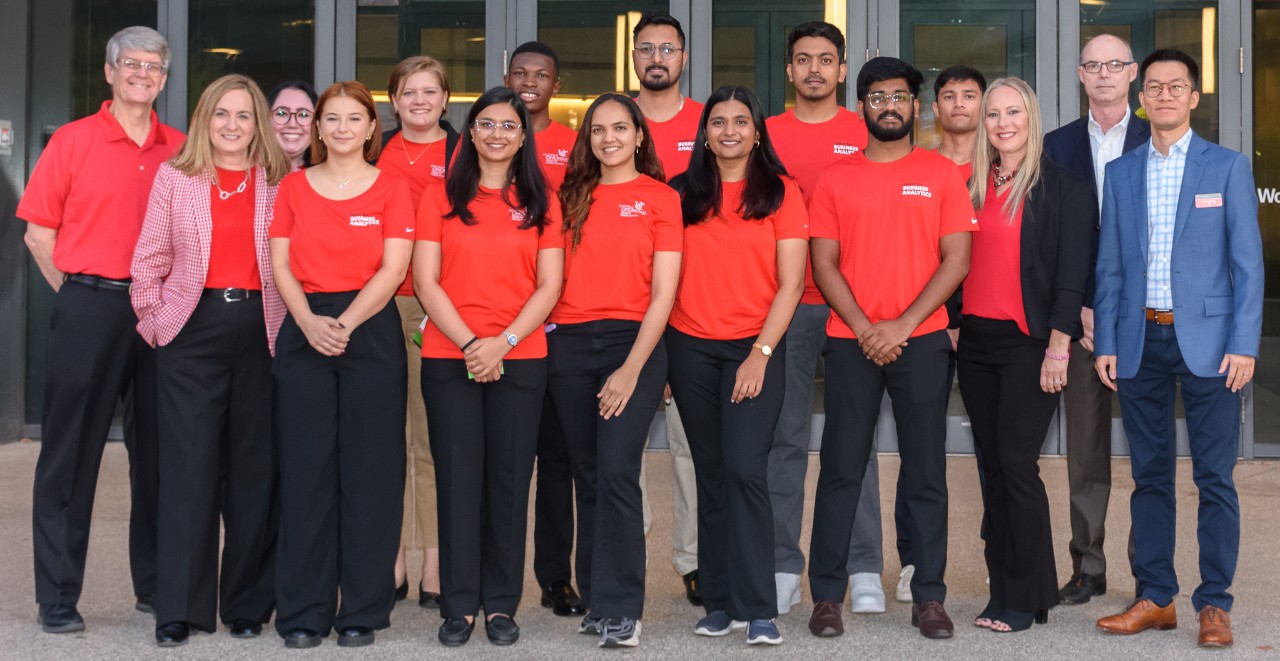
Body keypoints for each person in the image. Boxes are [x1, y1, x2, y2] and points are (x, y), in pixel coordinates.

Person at [1094, 48, 1262, 649]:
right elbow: (1110, 267)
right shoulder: (1122, 172)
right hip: (1141, 340)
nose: (1165, 95)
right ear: (1143, 97)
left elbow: (1248, 264)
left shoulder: (1226, 167)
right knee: (1150, 477)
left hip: (1213, 347)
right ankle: (1157, 597)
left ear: (1194, 97)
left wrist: (1245, 343)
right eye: (1156, 86)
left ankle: (1214, 604)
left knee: (1215, 477)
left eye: (1177, 87)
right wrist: (1108, 341)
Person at [18, 25, 181, 633]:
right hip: (91, 302)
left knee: (164, 455)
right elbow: (39, 233)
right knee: (70, 455)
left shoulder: (181, 146)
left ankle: (160, 586)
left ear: (164, 79)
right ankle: (58, 595)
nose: (143, 73)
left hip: (163, 312)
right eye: (131, 64)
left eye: (154, 67)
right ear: (110, 72)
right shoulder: (73, 140)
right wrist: (82, 298)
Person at [806, 57, 973, 640]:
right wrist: (865, 326)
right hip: (849, 343)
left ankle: (929, 594)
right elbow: (822, 263)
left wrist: (901, 324)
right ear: (862, 108)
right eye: (876, 98)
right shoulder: (834, 178)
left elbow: (957, 260)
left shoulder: (942, 174)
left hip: (922, 342)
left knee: (926, 471)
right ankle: (826, 595)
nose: (888, 107)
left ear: (916, 107)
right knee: (840, 469)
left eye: (898, 97)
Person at [130, 74, 291, 647]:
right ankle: (178, 607)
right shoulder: (175, 178)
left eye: (243, 115)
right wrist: (154, 323)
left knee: (254, 474)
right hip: (189, 334)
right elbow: (148, 257)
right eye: (221, 114)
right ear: (204, 119)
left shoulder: (280, 180)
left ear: (259, 124)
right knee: (187, 473)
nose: (231, 125)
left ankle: (247, 602)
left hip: (262, 331)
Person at [413, 87, 565, 647]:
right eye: (486, 124)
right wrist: (472, 343)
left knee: (507, 482)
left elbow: (550, 285)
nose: (497, 134)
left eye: (509, 125)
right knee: (457, 482)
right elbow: (426, 281)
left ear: (523, 137)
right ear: (470, 133)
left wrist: (499, 343)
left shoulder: (542, 200)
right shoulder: (439, 196)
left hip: (520, 358)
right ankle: (459, 605)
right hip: (449, 358)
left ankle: (500, 604)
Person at [269, 80, 413, 649]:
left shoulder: (393, 189)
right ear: (318, 127)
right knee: (305, 474)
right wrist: (306, 322)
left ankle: (362, 609)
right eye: (332, 119)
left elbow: (393, 267)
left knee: (370, 476)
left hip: (370, 329)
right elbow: (279, 262)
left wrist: (345, 324)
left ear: (371, 127)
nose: (343, 128)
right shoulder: (294, 188)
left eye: (355, 119)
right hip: (304, 326)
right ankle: (303, 610)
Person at [667, 85, 807, 646]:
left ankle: (760, 606)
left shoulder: (780, 193)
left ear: (756, 132)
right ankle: (720, 601)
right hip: (690, 347)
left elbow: (792, 283)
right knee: (712, 474)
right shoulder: (680, 194)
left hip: (755, 346)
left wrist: (760, 354)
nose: (729, 130)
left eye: (740, 121)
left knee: (747, 470)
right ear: (705, 134)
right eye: (718, 121)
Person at [958, 77, 1093, 633]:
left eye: (1013, 112)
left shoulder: (1064, 187)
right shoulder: (969, 184)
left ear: (1031, 118)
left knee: (1017, 466)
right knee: (992, 470)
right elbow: (947, 259)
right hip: (974, 343)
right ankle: (1009, 591)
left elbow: (1071, 277)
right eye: (993, 114)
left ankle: (1030, 592)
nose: (1002, 122)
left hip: (1031, 345)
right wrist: (947, 326)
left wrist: (1060, 346)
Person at [548, 93, 682, 648]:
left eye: (619, 128)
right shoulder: (569, 197)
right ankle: (597, 599)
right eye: (598, 130)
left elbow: (664, 293)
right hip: (569, 344)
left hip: (634, 342)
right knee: (589, 474)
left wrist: (632, 368)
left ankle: (625, 607)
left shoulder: (661, 199)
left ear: (639, 136)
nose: (608, 138)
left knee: (619, 470)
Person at [763, 20, 884, 617]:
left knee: (852, 442)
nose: (814, 69)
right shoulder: (763, 135)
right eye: (803, 59)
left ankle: (862, 565)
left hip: (854, 311)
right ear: (789, 70)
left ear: (842, 71)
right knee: (782, 440)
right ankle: (782, 563)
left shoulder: (868, 131)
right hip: (782, 308)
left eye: (826, 60)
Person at [1044, 33, 1150, 606]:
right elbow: (1052, 237)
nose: (1104, 73)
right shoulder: (1056, 145)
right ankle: (1088, 566)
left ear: (1131, 73)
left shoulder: (1156, 136)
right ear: (1080, 75)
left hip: (1142, 318)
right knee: (1085, 450)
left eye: (1114, 64)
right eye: (1093, 65)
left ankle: (1147, 573)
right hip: (1079, 315)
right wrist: (1079, 308)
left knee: (1147, 453)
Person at [502, 40, 585, 618]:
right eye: (520, 74)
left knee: (558, 464)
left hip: (561, 323)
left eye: (541, 75)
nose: (530, 81)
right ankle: (486, 576)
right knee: (502, 462)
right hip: (496, 324)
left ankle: (555, 580)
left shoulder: (574, 147)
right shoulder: (484, 143)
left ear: (557, 85)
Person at [900, 63, 988, 604]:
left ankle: (998, 557)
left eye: (970, 95)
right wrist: (947, 320)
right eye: (949, 96)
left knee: (998, 453)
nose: (959, 104)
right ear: (934, 109)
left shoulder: (1003, 169)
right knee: (920, 450)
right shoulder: (922, 169)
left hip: (993, 327)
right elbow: (920, 256)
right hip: (931, 325)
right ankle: (914, 560)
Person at [376, 54, 459, 611]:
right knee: (383, 441)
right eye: (410, 92)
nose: (420, 101)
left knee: (431, 440)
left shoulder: (464, 153)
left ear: (446, 100)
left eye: (431, 92)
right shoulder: (369, 148)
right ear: (394, 100)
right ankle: (391, 559)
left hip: (439, 309)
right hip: (378, 306)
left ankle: (433, 559)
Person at [631, 9, 704, 606]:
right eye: (646, 48)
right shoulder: (613, 120)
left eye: (667, 49)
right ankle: (625, 552)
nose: (657, 57)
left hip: (690, 310)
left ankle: (694, 559)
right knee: (619, 445)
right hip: (621, 309)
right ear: (634, 58)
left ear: (684, 58)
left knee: (688, 445)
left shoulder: (710, 124)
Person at [266, 80, 317, 170]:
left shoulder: (331, 177)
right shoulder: (248, 175)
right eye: (281, 113)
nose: (292, 124)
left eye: (303, 114)